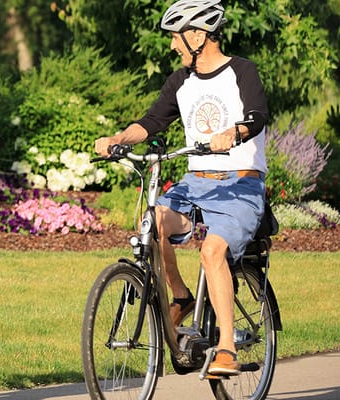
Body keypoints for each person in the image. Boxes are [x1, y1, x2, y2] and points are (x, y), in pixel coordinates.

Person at [94, 0, 269, 377]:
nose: (173, 45)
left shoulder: (242, 71)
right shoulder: (180, 81)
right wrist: (118, 138)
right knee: (153, 221)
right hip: (196, 182)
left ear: (198, 36)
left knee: (211, 251)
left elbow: (257, 115)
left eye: (176, 37)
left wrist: (234, 133)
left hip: (240, 183)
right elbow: (152, 121)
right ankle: (180, 294)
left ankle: (225, 349)